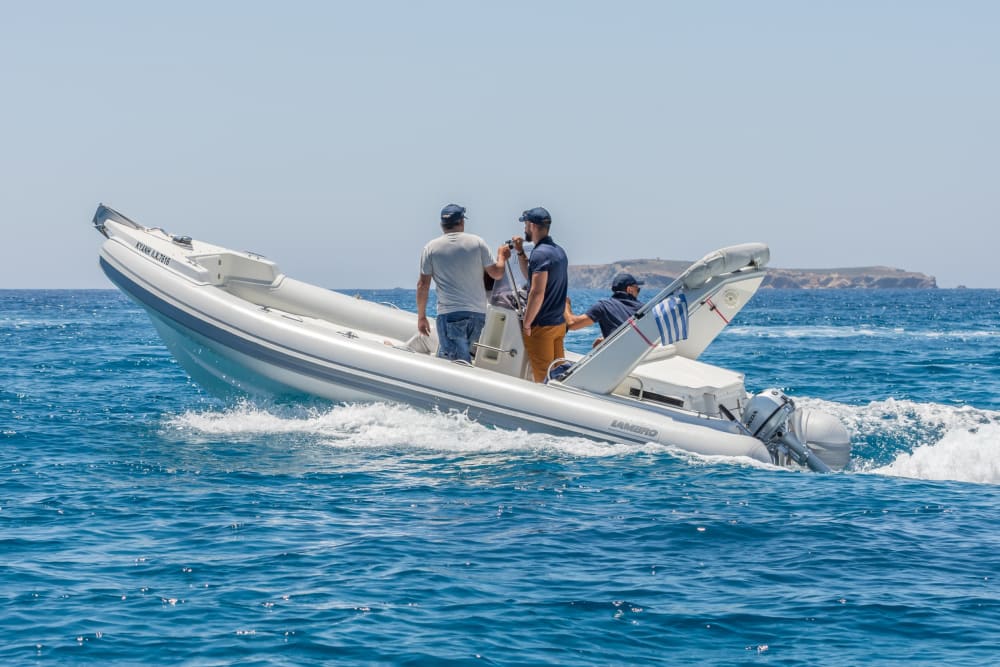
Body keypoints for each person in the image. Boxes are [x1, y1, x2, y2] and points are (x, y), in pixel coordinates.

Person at [417, 204, 511, 362]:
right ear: (461, 222)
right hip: (477, 315)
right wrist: (502, 256)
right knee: (461, 358)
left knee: (455, 363)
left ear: (441, 225)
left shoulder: (430, 248)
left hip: (450, 314)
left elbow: (423, 285)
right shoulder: (477, 242)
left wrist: (421, 317)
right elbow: (496, 273)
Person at [511, 206, 569, 382]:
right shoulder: (558, 251)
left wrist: (527, 323)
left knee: (544, 379)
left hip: (542, 327)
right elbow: (530, 275)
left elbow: (537, 292)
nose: (524, 229)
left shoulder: (540, 255)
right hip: (558, 324)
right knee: (559, 376)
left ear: (532, 225)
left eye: (525, 225)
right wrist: (520, 251)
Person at [565, 272, 644, 347]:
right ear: (629, 289)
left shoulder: (604, 306)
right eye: (638, 289)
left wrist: (566, 303)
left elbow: (572, 324)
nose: (638, 292)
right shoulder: (643, 309)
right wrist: (606, 339)